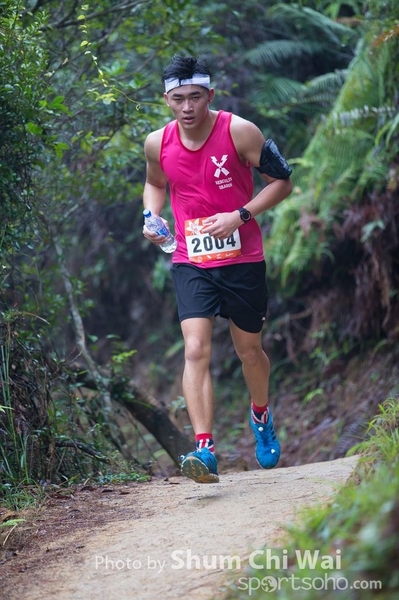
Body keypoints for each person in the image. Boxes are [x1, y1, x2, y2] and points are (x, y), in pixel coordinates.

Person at [143, 55, 292, 484]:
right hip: (191, 260)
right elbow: (154, 183)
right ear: (167, 100)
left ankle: (260, 414)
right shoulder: (157, 143)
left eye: (195, 97)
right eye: (178, 99)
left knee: (249, 352)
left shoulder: (239, 131)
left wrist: (240, 216)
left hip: (243, 259)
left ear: (210, 94)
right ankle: (205, 449)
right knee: (195, 349)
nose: (187, 107)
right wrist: (151, 216)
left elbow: (282, 181)